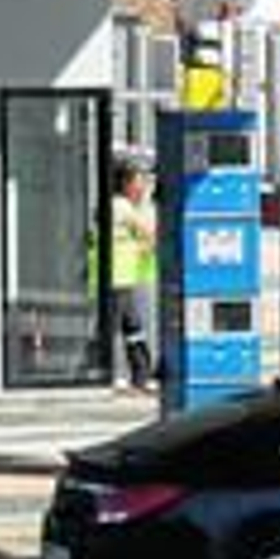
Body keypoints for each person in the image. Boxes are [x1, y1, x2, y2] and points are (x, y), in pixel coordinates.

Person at [110, 159, 158, 392]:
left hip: (124, 277)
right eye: (140, 181)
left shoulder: (121, 206)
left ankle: (140, 375)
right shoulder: (122, 206)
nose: (143, 187)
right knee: (122, 327)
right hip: (118, 277)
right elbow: (148, 233)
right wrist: (147, 202)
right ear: (126, 183)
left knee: (133, 327)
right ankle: (121, 374)